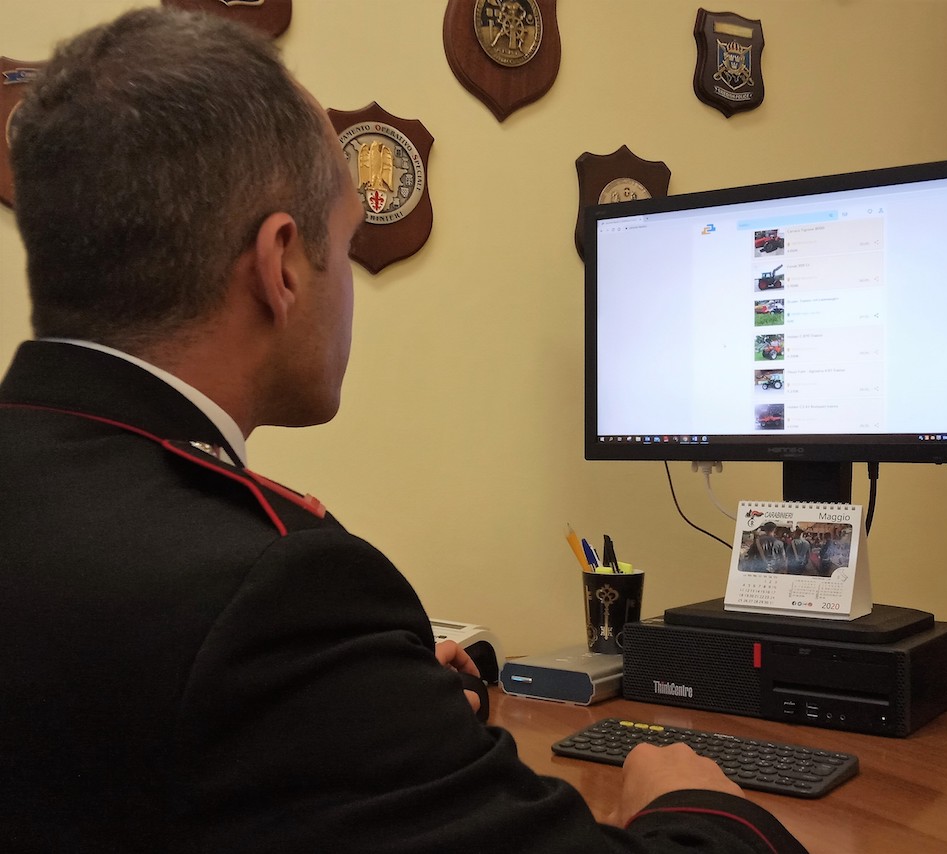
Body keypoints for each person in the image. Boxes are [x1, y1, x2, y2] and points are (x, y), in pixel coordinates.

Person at [0, 9, 804, 853]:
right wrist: (699, 804)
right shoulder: (272, 598)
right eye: (348, 244)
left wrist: (374, 696)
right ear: (281, 265)